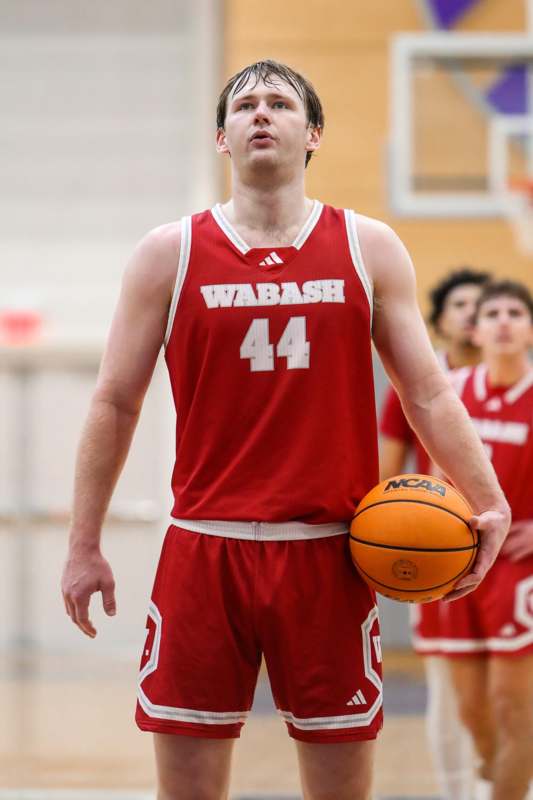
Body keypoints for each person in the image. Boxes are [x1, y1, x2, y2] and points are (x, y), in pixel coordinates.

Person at [61, 60, 510, 800]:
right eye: (245, 105)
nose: (260, 114)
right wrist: (83, 543)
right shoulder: (166, 253)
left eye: (279, 103)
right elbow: (113, 402)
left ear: (314, 134)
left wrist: (486, 500)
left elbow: (426, 391)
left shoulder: (368, 246)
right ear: (220, 137)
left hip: (330, 556)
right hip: (204, 551)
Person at [379, 268, 491, 800]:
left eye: (483, 305)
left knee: (513, 690)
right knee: (448, 690)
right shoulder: (415, 386)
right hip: (442, 550)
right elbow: (385, 476)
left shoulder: (518, 383)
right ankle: (456, 793)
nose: (473, 315)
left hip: (511, 552)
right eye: (461, 305)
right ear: (440, 321)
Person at [431, 280, 533, 800]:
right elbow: (434, 474)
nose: (504, 321)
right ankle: (506, 783)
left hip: (521, 568)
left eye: (516, 311)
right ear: (476, 328)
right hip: (460, 558)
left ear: (530, 328)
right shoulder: (453, 391)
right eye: (493, 312)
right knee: (472, 710)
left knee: (512, 705)